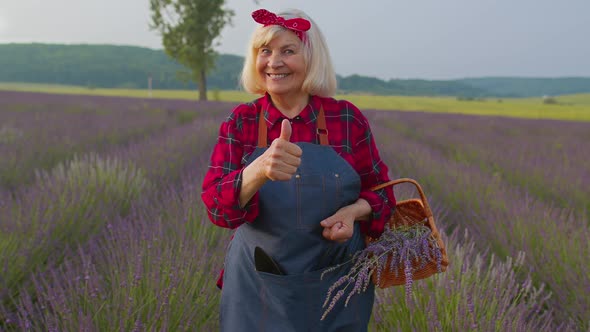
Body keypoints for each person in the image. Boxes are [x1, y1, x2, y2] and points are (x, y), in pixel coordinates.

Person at [201, 8, 396, 332]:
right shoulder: (242, 121)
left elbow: (383, 195)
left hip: (337, 283)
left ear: (311, 59)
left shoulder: (345, 119)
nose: (273, 62)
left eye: (288, 51)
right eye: (265, 51)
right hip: (258, 285)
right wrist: (257, 171)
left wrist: (354, 213)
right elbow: (216, 208)